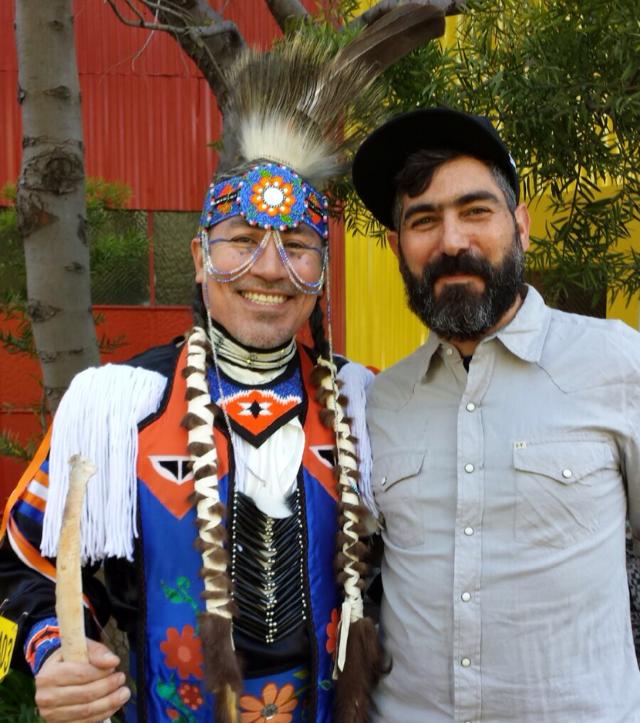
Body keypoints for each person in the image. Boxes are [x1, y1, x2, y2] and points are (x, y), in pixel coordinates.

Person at [0, 38, 384, 723]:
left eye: (297, 247)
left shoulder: (365, 405)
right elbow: (24, 562)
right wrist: (54, 649)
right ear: (199, 258)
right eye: (241, 240)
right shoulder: (118, 404)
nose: (270, 269)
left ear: (322, 272)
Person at [352, 107, 640, 722]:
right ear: (398, 247)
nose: (451, 242)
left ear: (521, 224)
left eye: (476, 212)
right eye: (423, 221)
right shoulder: (379, 402)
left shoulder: (618, 363)